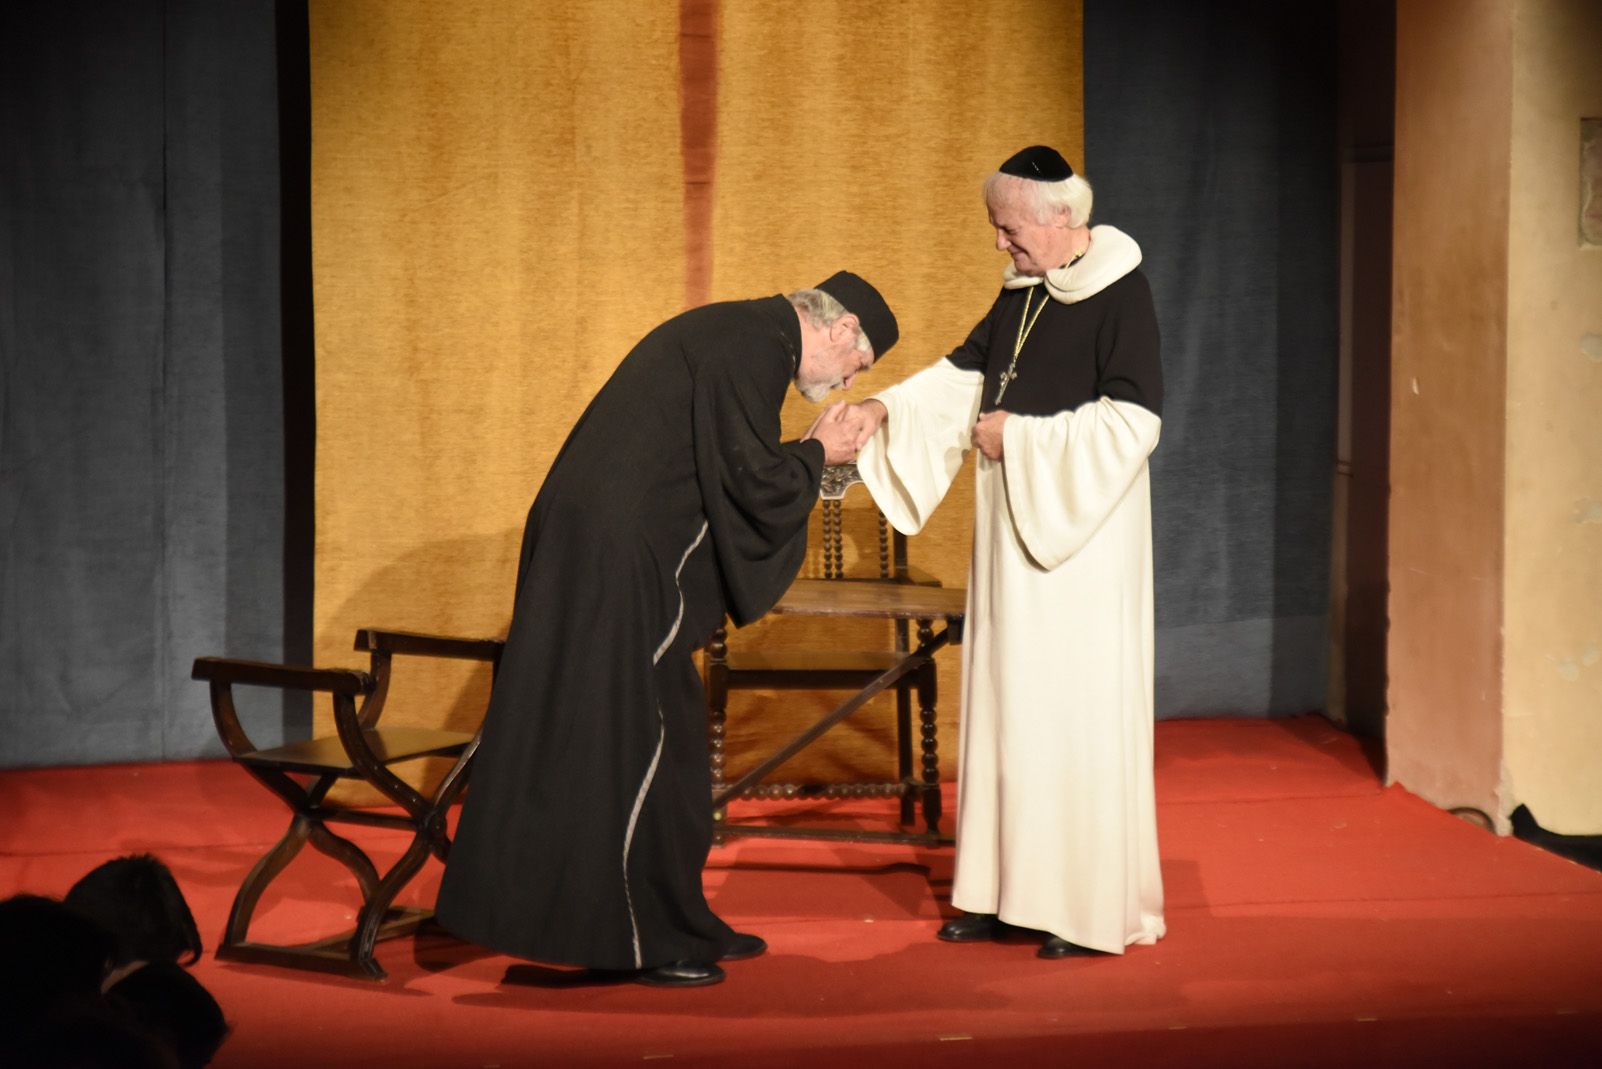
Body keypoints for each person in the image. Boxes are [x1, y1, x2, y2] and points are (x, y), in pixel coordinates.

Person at [436, 272, 899, 987]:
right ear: (841, 331)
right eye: (857, 366)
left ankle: (677, 923)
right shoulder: (751, 345)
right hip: (616, 560)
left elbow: (723, 465)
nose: (846, 381)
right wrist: (817, 456)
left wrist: (802, 457)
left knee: (661, 742)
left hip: (607, 550)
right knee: (633, 747)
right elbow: (747, 481)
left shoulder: (746, 334)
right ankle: (638, 937)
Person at [840, 146, 1165, 958]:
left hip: (1078, 543)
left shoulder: (1120, 291)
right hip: (1011, 535)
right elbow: (962, 377)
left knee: (1068, 711)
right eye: (997, 228)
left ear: (1063, 221)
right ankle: (1004, 891)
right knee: (1008, 704)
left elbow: (1134, 423)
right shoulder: (1023, 290)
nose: (999, 245)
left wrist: (1018, 435)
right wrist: (881, 409)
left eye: (1010, 229)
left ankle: (1080, 909)